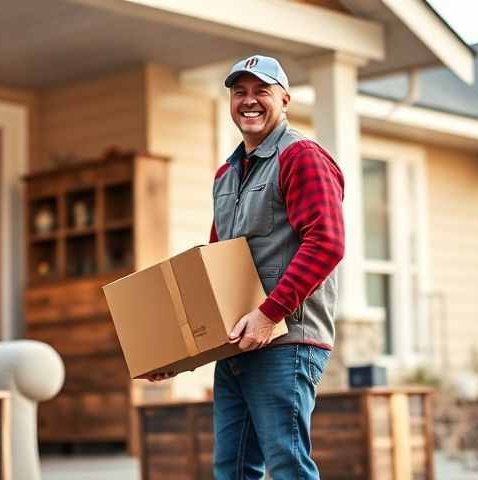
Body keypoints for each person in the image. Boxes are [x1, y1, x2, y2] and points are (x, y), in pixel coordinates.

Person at [147, 55, 345, 479]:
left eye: (262, 91)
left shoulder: (301, 156)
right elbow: (215, 271)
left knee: (287, 464)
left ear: (285, 99)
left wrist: (269, 313)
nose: (249, 101)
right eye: (240, 92)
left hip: (286, 341)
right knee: (233, 469)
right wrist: (178, 354)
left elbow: (326, 244)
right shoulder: (227, 175)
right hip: (238, 345)